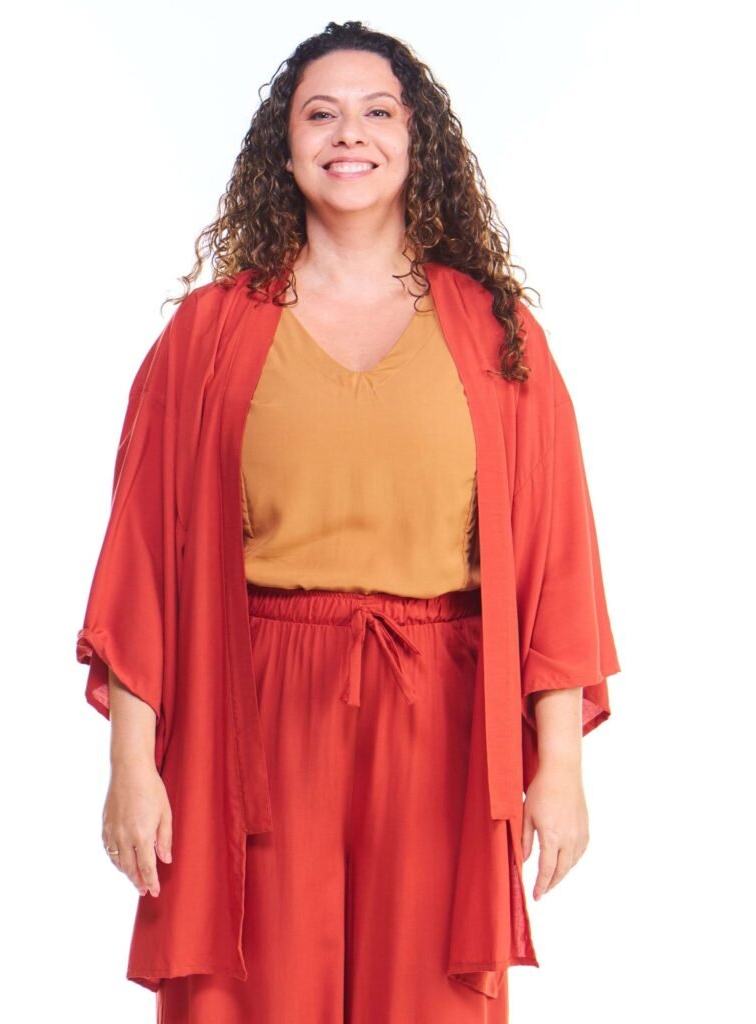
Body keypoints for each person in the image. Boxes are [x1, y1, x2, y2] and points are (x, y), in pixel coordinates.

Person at [76, 20, 621, 1024]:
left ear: (418, 141)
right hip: (255, 705)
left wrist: (561, 765)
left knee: (429, 1001)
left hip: (442, 712)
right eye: (319, 114)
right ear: (283, 149)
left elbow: (557, 559)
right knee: (252, 992)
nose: (349, 134)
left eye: (378, 112)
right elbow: (145, 559)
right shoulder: (208, 334)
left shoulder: (495, 333)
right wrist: (130, 767)